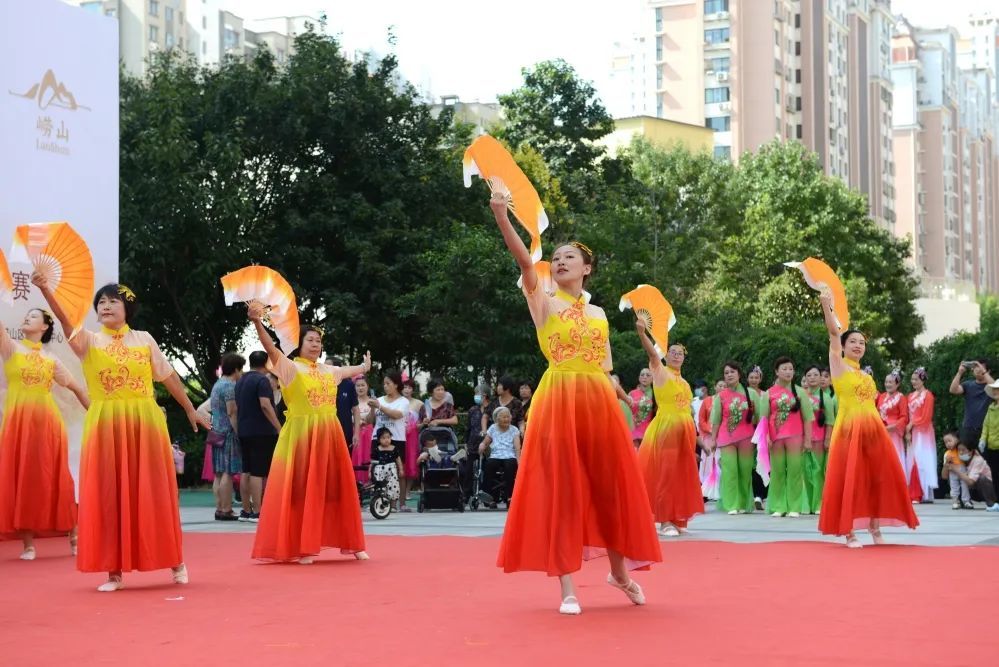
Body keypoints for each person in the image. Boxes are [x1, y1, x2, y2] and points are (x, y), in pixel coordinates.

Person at [490, 195, 660, 615]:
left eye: (570, 257)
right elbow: (527, 264)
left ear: (587, 269)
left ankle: (619, 573)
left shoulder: (600, 314)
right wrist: (500, 213)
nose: (560, 262)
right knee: (563, 489)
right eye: (558, 257)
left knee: (608, 488)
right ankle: (567, 586)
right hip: (559, 398)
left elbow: (604, 368)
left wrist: (626, 401)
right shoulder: (543, 299)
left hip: (598, 402)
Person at [34, 277, 210, 591]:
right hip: (105, 422)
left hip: (144, 420)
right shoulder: (88, 340)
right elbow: (64, 319)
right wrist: (45, 289)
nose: (105, 306)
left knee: (154, 492)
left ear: (126, 308)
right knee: (108, 494)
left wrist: (189, 408)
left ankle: (176, 561)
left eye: (112, 301)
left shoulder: (143, 339)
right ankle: (113, 571)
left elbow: (168, 376)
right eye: (101, 302)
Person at [248, 306, 370, 563]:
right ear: (299, 344)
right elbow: (270, 348)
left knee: (339, 489)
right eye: (310, 340)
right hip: (302, 437)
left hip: (330, 435)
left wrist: (364, 366)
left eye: (318, 340)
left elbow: (350, 370)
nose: (315, 344)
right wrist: (258, 322)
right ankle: (305, 545)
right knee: (301, 491)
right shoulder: (290, 368)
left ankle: (353, 542)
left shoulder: (329, 371)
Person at [816, 291, 919, 547]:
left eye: (862, 342)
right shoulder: (839, 366)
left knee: (878, 476)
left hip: (873, 431)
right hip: (849, 430)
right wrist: (826, 305)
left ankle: (875, 528)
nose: (858, 345)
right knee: (850, 478)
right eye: (853, 341)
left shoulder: (868, 376)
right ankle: (849, 532)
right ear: (845, 345)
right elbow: (832, 334)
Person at [0, 308, 89, 561]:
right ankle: (28, 545)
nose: (27, 318)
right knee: (22, 479)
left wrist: (96, 413)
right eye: (25, 315)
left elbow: (77, 389)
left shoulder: (51, 360)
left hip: (47, 425)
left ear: (45, 327)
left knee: (56, 478)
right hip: (18, 424)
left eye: (33, 316)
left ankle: (74, 535)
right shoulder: (11, 348)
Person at [634, 320, 704, 537]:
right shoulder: (660, 371)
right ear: (665, 355)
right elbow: (652, 355)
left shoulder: (684, 382)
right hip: (666, 429)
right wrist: (642, 333)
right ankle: (664, 521)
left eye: (680, 353)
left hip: (684, 432)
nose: (676, 355)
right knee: (665, 473)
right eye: (672, 352)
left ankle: (675, 517)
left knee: (679, 475)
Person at [762, 358, 813, 518]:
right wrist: (766, 438)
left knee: (795, 471)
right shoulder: (769, 393)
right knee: (777, 471)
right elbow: (764, 418)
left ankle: (794, 507)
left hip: (795, 436)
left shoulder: (800, 392)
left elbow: (807, 418)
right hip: (775, 437)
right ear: (777, 371)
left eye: (791, 369)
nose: (788, 372)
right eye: (784, 369)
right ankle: (778, 506)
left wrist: (807, 439)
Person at [234, 351, 281, 520]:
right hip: (261, 431)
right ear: (267, 363)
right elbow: (265, 405)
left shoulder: (241, 381)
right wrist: (278, 426)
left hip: (244, 430)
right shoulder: (263, 380)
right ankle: (258, 511)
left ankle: (246, 510)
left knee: (246, 470)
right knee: (258, 472)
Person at [710, 362, 755, 515]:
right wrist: (713, 439)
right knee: (730, 471)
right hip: (726, 437)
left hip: (747, 437)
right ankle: (732, 504)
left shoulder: (751, 393)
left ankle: (743, 503)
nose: (729, 375)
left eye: (732, 372)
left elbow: (761, 417)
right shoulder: (720, 396)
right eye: (726, 373)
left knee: (745, 470)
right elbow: (716, 420)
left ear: (739, 374)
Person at [209, 353, 244, 521]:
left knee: (218, 473)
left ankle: (219, 507)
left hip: (216, 432)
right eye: (241, 369)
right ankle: (226, 509)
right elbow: (232, 412)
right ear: (236, 369)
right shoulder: (229, 386)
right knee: (228, 473)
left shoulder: (217, 385)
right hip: (228, 433)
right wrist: (239, 432)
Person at [367, 371, 410, 510]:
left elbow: (397, 415)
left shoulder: (403, 401)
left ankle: (401, 503)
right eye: (384, 384)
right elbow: (369, 420)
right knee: (377, 470)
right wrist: (373, 408)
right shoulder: (379, 400)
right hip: (378, 439)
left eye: (388, 383)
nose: (385, 386)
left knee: (398, 470)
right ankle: (378, 501)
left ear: (396, 384)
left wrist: (380, 406)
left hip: (396, 439)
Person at [801, 365, 834, 515]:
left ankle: (819, 504)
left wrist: (827, 439)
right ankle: (806, 504)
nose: (813, 377)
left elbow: (830, 421)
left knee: (818, 472)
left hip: (820, 440)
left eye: (816, 375)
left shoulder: (826, 398)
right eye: (809, 375)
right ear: (805, 379)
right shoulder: (801, 396)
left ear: (821, 378)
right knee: (804, 472)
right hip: (802, 440)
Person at [478, 405, 521, 508]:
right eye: (503, 417)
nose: (507, 419)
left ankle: (509, 497)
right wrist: (482, 445)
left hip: (509, 455)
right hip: (496, 454)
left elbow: (517, 447)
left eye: (508, 417)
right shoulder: (493, 428)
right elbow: (486, 442)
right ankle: (489, 497)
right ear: (497, 419)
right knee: (489, 465)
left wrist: (519, 460)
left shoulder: (514, 429)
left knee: (510, 466)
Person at [905, 368, 937, 503]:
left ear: (922, 380)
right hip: (913, 431)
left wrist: (912, 424)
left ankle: (924, 493)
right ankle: (915, 491)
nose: (913, 382)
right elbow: (908, 414)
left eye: (916, 379)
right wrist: (907, 430)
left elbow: (926, 416)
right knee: (912, 460)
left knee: (923, 460)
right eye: (912, 379)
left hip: (924, 432)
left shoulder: (928, 395)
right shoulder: (910, 396)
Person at [949, 359, 994, 448]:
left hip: (986, 430)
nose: (977, 370)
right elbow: (953, 390)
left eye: (980, 367)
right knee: (966, 457)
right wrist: (960, 373)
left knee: (985, 459)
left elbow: (995, 388)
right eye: (976, 367)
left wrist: (984, 372)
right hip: (968, 428)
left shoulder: (991, 386)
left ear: (987, 371)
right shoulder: (968, 385)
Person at [947, 442, 999, 511]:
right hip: (971, 490)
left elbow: (971, 482)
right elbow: (944, 476)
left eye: (963, 450)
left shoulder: (978, 460)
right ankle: (962, 502)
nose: (961, 452)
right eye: (959, 450)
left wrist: (956, 470)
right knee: (953, 476)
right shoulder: (958, 460)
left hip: (983, 490)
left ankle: (992, 504)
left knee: (981, 478)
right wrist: (947, 464)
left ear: (971, 451)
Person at [876, 370, 909, 469]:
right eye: (886, 382)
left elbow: (904, 417)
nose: (887, 384)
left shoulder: (901, 398)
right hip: (881, 430)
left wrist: (892, 427)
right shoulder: (881, 396)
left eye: (890, 382)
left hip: (893, 431)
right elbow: (877, 411)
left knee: (894, 457)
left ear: (897, 384)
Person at [328, 357, 360, 454]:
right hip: (327, 430)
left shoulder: (349, 385)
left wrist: (356, 433)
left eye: (327, 366)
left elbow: (355, 409)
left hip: (345, 430)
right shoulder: (322, 384)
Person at [698, 380, 723, 501]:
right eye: (720, 385)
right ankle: (706, 491)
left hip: (722, 436)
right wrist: (709, 429)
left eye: (725, 385)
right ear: (715, 387)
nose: (722, 387)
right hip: (708, 436)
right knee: (707, 463)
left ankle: (720, 490)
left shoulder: (727, 400)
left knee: (719, 461)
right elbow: (701, 419)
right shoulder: (707, 401)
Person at [747, 365, 768, 509]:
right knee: (750, 464)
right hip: (748, 430)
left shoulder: (765, 394)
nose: (754, 380)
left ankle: (760, 495)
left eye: (756, 377)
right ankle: (753, 495)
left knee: (762, 461)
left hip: (762, 430)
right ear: (747, 378)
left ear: (760, 379)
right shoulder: (743, 393)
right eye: (751, 377)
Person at [369, 427, 403, 510]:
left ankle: (393, 506)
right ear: (379, 439)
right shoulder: (377, 449)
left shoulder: (394, 448)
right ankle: (378, 504)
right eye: (383, 438)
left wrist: (401, 469)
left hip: (391, 470)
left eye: (388, 437)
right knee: (379, 487)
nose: (386, 440)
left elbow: (398, 459)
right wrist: (370, 472)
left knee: (393, 486)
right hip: (379, 470)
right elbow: (372, 462)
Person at [401, 378, 423, 501]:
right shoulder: (397, 402)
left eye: (409, 387)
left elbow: (422, 421)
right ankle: (399, 491)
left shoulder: (419, 404)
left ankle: (408, 491)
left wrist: (416, 425)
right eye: (404, 387)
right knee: (400, 463)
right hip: (398, 435)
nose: (407, 390)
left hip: (412, 437)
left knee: (411, 463)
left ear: (413, 390)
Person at [977, 380, 999, 502]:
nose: (996, 391)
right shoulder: (991, 407)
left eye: (998, 389)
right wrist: (982, 439)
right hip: (992, 447)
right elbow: (986, 425)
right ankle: (997, 502)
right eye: (994, 389)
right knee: (995, 475)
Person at [351, 376, 375, 484]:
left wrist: (372, 409)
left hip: (369, 434)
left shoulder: (372, 401)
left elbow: (373, 419)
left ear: (367, 386)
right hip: (355, 433)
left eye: (363, 385)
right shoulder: (352, 402)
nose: (360, 388)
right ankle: (356, 482)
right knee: (356, 457)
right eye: (357, 385)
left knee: (368, 456)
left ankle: (369, 482)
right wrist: (357, 422)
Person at [940, 432, 971, 509]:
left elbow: (967, 459)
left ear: (957, 439)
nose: (948, 444)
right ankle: (955, 501)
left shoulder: (961, 449)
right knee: (954, 486)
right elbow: (945, 468)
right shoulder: (947, 454)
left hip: (963, 470)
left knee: (965, 485)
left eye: (950, 441)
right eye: (946, 442)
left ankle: (966, 501)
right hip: (952, 472)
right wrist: (947, 461)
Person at [628, 368, 654, 447]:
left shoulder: (655, 395)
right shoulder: (631, 394)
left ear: (652, 378)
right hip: (633, 431)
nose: (644, 377)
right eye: (642, 375)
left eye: (648, 375)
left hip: (649, 432)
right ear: (639, 378)